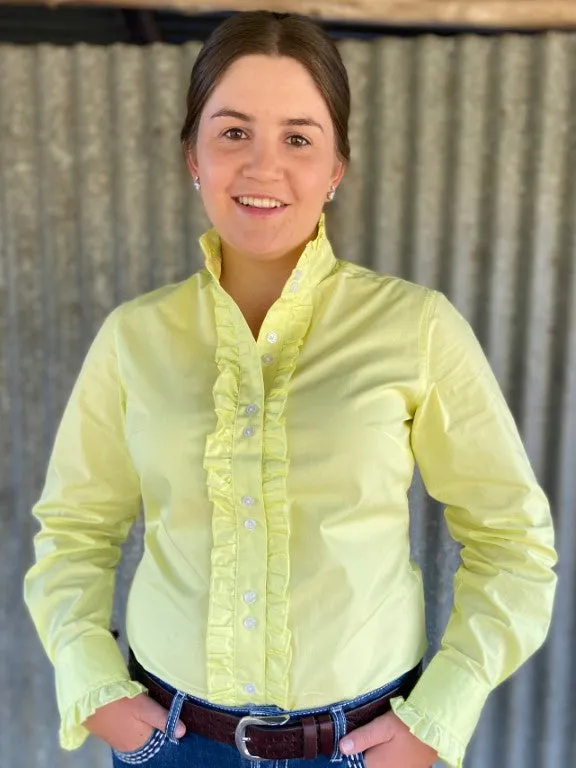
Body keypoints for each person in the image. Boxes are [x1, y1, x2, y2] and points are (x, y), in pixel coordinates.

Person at [24, 10, 557, 768]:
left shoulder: (417, 328)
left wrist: (441, 713)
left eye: (298, 138)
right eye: (233, 132)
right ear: (193, 156)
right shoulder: (132, 338)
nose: (263, 167)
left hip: (365, 746)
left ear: (336, 168)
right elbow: (73, 532)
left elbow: (512, 542)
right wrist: (94, 684)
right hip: (170, 745)